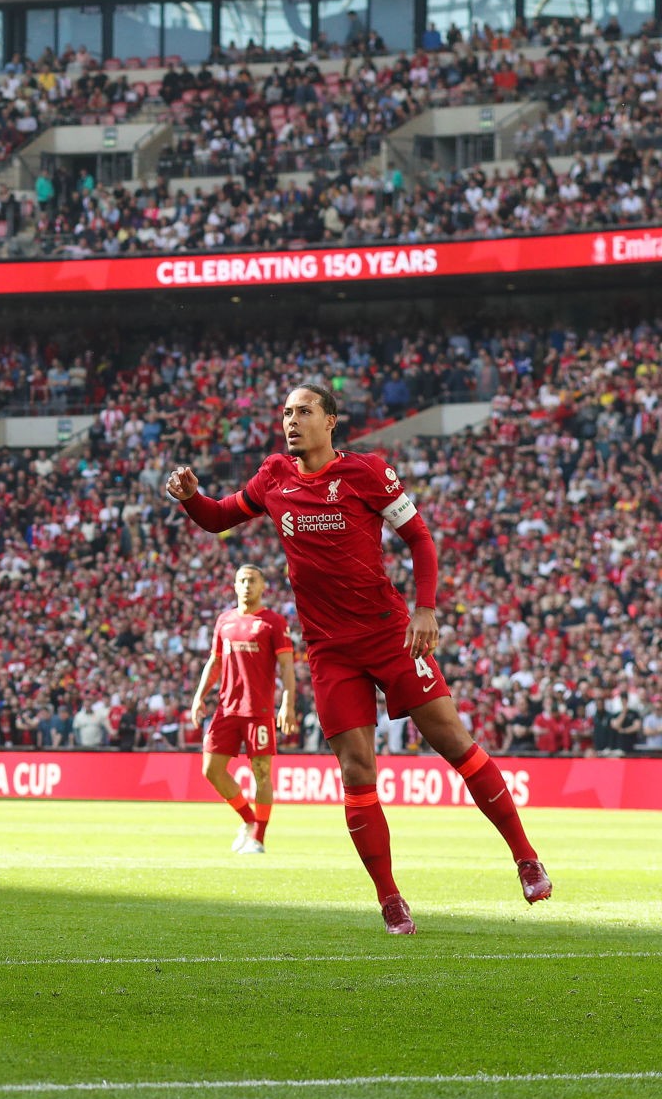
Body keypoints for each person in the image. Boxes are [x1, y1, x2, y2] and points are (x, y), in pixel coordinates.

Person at [168, 383, 550, 935]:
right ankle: (390, 899)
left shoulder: (368, 473)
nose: (291, 421)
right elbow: (217, 516)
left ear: (331, 421)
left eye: (303, 412)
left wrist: (425, 610)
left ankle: (525, 855)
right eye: (285, 413)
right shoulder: (274, 475)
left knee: (451, 741)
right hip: (330, 651)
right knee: (357, 770)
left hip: (391, 633)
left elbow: (419, 538)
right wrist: (188, 496)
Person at [187, 564, 298, 855]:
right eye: (242, 580)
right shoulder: (224, 621)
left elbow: (287, 666)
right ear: (235, 586)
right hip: (227, 707)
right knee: (211, 769)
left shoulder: (273, 622)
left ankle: (258, 839)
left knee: (262, 773)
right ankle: (249, 821)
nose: (247, 585)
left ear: (263, 587)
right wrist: (200, 695)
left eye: (253, 580)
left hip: (258, 709)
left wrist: (288, 701)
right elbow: (215, 662)